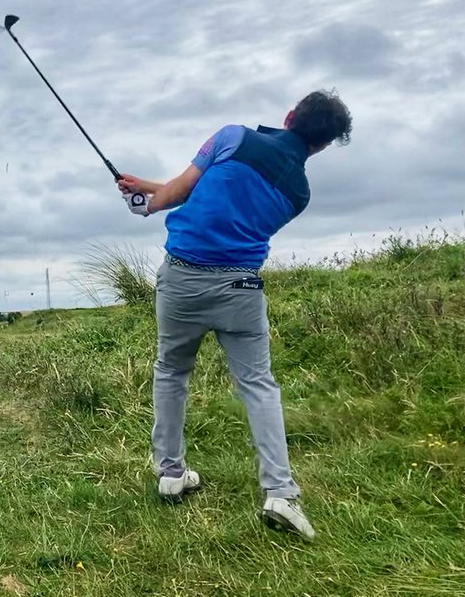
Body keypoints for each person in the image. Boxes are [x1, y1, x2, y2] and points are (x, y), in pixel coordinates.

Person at [116, 91, 351, 541]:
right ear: (321, 146)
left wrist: (148, 201)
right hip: (241, 288)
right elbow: (215, 197)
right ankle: (280, 492)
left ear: (288, 117)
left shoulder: (232, 136)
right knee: (259, 385)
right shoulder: (299, 193)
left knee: (171, 372)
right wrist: (146, 185)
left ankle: (170, 473)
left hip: (182, 280)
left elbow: (183, 192)